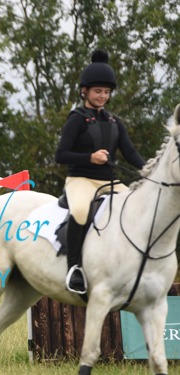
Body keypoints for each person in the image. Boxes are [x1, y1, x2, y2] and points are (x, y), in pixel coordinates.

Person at [55, 49, 145, 294]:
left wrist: (150, 170)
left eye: (106, 92)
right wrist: (90, 157)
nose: (103, 96)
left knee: (138, 210)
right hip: (81, 179)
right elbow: (60, 155)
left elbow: (130, 153)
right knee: (80, 211)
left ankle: (140, 267)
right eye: (98, 91)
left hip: (109, 181)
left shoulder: (115, 122)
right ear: (85, 91)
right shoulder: (76, 119)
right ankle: (74, 268)